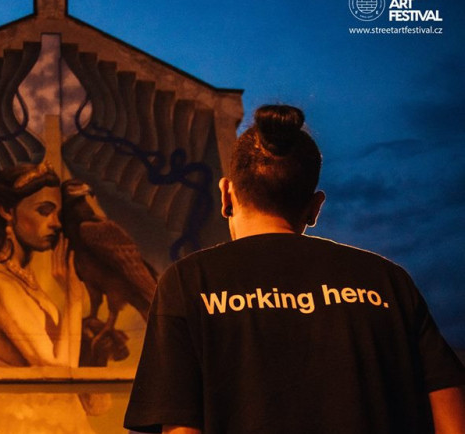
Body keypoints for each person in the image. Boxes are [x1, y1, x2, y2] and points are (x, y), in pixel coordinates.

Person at [123, 105, 465, 433]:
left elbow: (181, 428)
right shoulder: (388, 283)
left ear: (227, 195)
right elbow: (453, 421)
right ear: (315, 207)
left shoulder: (188, 282)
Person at [0, 162, 99, 433]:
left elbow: (93, 403)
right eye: (44, 211)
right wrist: (73, 298)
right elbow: (57, 376)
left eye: (58, 214)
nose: (56, 223)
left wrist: (95, 348)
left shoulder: (25, 282)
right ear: (7, 211)